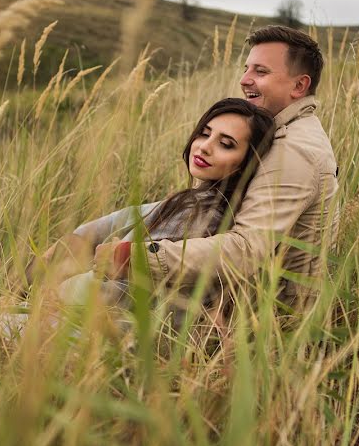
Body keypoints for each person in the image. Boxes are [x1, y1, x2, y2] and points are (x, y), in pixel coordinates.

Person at [94, 25, 339, 309]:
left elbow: (246, 250)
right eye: (247, 68)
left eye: (260, 72)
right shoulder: (282, 129)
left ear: (299, 86)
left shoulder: (295, 152)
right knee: (167, 208)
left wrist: (133, 257)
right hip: (237, 292)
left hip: (263, 314)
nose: (244, 80)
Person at [17, 98, 275, 332]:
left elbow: (115, 289)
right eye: (204, 134)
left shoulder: (200, 214)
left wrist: (47, 299)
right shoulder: (187, 201)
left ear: (247, 163)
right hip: (90, 322)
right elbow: (91, 232)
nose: (205, 147)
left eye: (226, 144)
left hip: (104, 336)